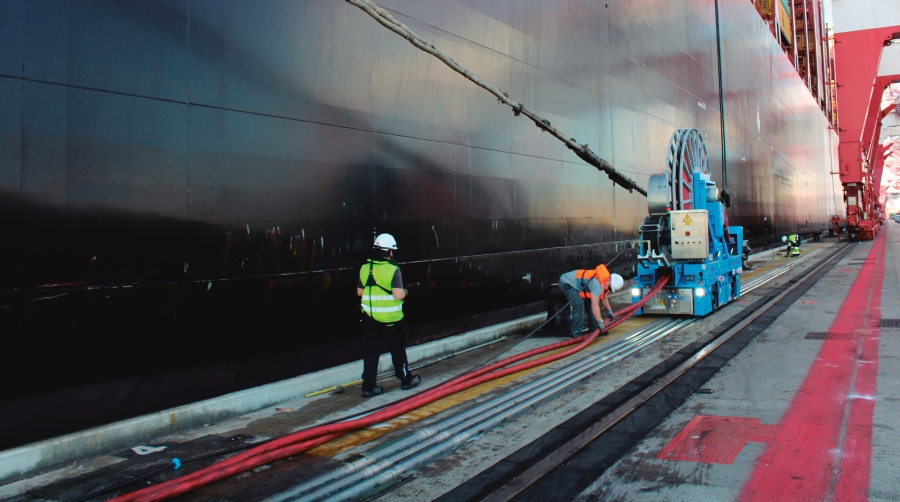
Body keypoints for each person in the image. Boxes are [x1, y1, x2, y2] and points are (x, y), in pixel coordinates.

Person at [357, 233, 421, 397]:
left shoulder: (365, 267)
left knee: (371, 352)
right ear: (389, 252)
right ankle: (406, 380)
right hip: (391, 319)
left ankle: (368, 387)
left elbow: (359, 292)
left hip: (370, 319)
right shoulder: (393, 270)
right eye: (393, 250)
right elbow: (398, 294)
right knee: (398, 351)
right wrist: (407, 291)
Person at [557, 265, 624, 338]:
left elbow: (603, 297)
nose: (609, 290)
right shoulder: (596, 284)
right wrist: (600, 322)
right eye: (609, 287)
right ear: (608, 280)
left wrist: (609, 310)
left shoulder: (605, 283)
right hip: (567, 282)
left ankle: (594, 329)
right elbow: (594, 305)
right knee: (578, 304)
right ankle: (575, 332)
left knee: (590, 304)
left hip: (577, 284)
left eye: (610, 289)